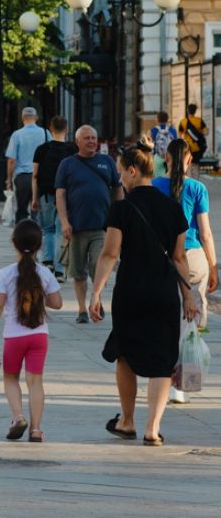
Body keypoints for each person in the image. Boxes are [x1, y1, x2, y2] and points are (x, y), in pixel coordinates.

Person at [90, 146, 198, 447]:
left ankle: (127, 420)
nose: (120, 177)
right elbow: (179, 258)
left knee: (125, 353)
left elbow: (110, 253)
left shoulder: (121, 208)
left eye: (121, 171)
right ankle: (153, 427)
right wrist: (188, 296)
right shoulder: (173, 208)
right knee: (162, 360)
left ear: (133, 171)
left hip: (131, 291)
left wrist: (95, 292)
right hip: (165, 293)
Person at [0, 220, 63, 442]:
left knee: (11, 378)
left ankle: (18, 417)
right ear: (38, 246)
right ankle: (36, 430)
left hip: (14, 336)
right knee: (35, 381)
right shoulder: (45, 273)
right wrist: (38, 296)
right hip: (39, 336)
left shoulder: (5, 273)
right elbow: (57, 303)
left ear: (13, 244)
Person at [154, 138, 219, 403]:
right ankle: (182, 384)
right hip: (193, 259)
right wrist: (213, 266)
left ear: (166, 158)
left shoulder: (154, 186)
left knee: (167, 320)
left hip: (163, 259)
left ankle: (165, 379)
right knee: (190, 320)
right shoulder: (197, 188)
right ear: (190, 160)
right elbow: (205, 233)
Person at [55, 125, 123, 323]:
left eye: (94, 137)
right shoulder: (67, 164)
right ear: (77, 141)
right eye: (87, 138)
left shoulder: (106, 161)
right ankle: (82, 310)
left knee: (97, 266)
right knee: (78, 272)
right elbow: (60, 195)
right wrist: (64, 221)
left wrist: (118, 214)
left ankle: (96, 301)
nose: (92, 141)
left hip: (102, 227)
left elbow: (118, 188)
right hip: (75, 228)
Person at [30, 115, 76, 282]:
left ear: (50, 128)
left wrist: (34, 197)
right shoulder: (72, 150)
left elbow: (35, 175)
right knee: (61, 231)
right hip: (67, 195)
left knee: (48, 229)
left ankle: (48, 260)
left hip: (46, 194)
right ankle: (59, 269)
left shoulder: (41, 150)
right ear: (67, 129)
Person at [5, 107, 49, 224]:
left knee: (22, 210)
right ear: (36, 118)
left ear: (22, 118)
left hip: (22, 177)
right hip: (41, 177)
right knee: (38, 209)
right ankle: (38, 233)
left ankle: (22, 234)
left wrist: (9, 179)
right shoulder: (45, 133)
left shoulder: (17, 135)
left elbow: (11, 160)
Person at [178, 104, 208, 171]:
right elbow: (206, 132)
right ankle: (195, 180)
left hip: (187, 146)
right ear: (195, 111)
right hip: (197, 147)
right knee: (196, 164)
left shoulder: (183, 121)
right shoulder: (199, 120)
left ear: (187, 111)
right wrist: (199, 132)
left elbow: (179, 134)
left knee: (187, 164)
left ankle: (188, 179)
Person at [150, 111, 176, 176]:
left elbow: (151, 145)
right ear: (167, 119)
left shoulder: (153, 130)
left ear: (158, 119)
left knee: (158, 177)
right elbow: (176, 143)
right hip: (170, 157)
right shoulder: (173, 130)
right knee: (170, 176)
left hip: (158, 158)